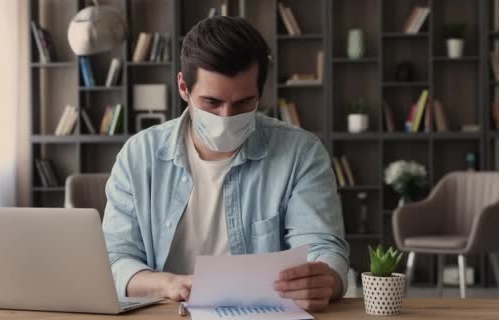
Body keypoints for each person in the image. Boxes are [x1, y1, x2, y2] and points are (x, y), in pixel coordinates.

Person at [102, 16, 349, 312]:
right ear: (184, 87)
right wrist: (169, 284)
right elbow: (115, 258)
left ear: (260, 94)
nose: (226, 118)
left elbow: (322, 249)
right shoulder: (139, 155)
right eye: (211, 102)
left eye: (244, 103)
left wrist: (326, 279)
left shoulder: (301, 153)